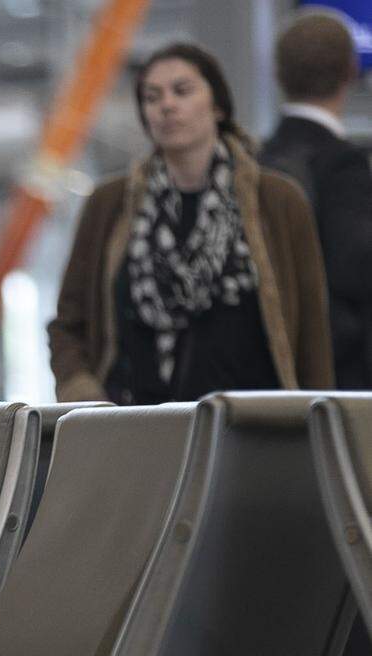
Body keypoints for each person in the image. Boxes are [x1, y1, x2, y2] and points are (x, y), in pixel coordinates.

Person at [48, 41, 333, 404]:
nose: (167, 105)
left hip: (253, 425)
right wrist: (81, 392)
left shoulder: (277, 200)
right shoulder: (109, 204)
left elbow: (312, 332)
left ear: (217, 105)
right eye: (152, 97)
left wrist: (315, 421)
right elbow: (67, 324)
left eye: (182, 91)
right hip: (137, 424)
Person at [259, 8, 372, 391]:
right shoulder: (344, 166)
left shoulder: (252, 164)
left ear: (277, 75)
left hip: (264, 378)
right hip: (336, 386)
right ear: (351, 71)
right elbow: (354, 273)